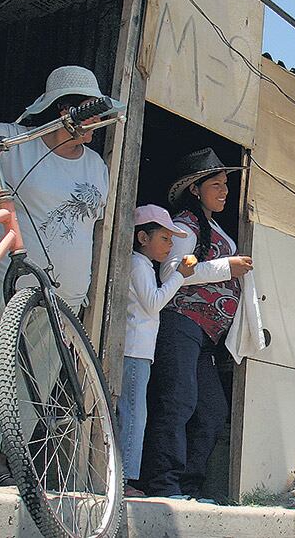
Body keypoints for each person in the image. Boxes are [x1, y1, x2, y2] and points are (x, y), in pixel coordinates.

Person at [0, 48, 110, 487]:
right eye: (89, 112)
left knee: (34, 375)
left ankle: (8, 458)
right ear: (65, 111)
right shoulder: (17, 143)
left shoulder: (97, 167)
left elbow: (91, 232)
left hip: (63, 293)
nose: (96, 122)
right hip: (6, 277)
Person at [138, 148, 254, 499]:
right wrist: (226, 267)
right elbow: (171, 272)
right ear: (195, 189)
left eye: (225, 185)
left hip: (205, 336)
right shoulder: (186, 227)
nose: (224, 191)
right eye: (215, 185)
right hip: (181, 324)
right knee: (178, 403)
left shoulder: (214, 227)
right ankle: (163, 484)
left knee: (212, 411)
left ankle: (188, 486)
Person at [119, 205, 195, 496]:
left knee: (132, 412)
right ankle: (124, 481)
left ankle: (122, 478)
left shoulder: (142, 265)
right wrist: (180, 276)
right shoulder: (138, 264)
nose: (170, 244)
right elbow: (153, 303)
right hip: (135, 351)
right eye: (164, 238)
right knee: (134, 415)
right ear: (142, 237)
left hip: (140, 351)